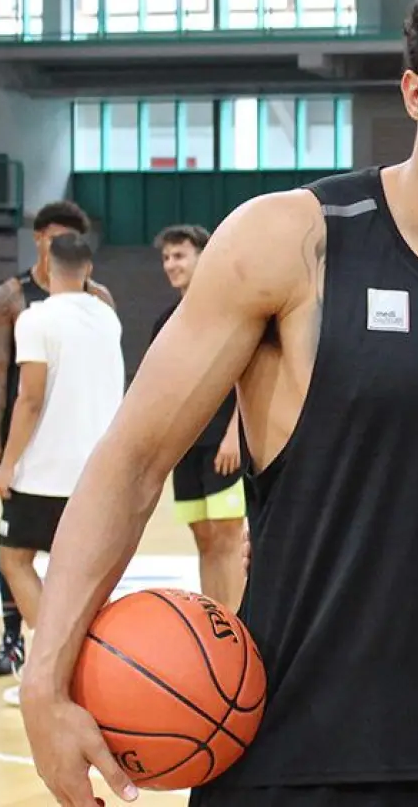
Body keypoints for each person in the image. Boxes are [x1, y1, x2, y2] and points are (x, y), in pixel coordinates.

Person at [19, 0, 418, 807]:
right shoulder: (292, 241)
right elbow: (133, 459)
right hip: (283, 751)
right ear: (414, 91)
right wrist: (47, 680)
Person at [0, 232, 123, 708]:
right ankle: (82, 672)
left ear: (45, 264)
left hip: (46, 473)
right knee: (79, 577)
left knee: (15, 558)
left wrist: (6, 466)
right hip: (100, 475)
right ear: (88, 269)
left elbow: (29, 397)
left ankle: (52, 671)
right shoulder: (107, 317)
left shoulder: (36, 318)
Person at [152, 224, 249, 611]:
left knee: (227, 541)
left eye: (180, 255)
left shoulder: (230, 309)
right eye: (166, 257)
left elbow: (247, 379)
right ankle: (217, 630)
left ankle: (241, 628)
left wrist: (234, 435)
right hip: (188, 447)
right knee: (204, 540)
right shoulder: (165, 321)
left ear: (202, 258)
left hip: (224, 445)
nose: (171, 264)